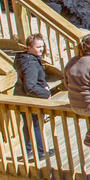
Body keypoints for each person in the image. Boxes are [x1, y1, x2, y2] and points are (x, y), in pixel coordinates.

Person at [13, 33, 55, 161]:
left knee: (28, 124)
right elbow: (30, 86)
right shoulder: (30, 64)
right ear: (29, 47)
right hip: (30, 98)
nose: (41, 49)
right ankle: (42, 152)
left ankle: (29, 150)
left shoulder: (25, 58)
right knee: (36, 124)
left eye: (42, 46)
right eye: (38, 47)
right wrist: (46, 93)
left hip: (22, 97)